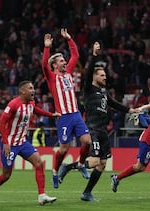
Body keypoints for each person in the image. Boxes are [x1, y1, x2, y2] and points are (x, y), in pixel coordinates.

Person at [58, 64, 138, 202]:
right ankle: (68, 167)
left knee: (102, 164)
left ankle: (87, 193)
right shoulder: (89, 89)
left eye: (105, 75)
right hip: (92, 129)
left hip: (103, 131)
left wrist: (131, 111)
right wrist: (94, 56)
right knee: (95, 161)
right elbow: (88, 72)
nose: (105, 77)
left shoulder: (104, 93)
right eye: (101, 75)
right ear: (94, 77)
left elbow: (114, 104)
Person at [0, 81, 61, 205]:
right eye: (30, 88)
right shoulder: (13, 104)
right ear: (22, 91)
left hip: (23, 142)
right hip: (10, 144)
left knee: (39, 163)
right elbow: (2, 122)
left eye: (33, 88)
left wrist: (51, 115)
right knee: (6, 175)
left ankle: (42, 195)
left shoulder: (31, 103)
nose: (33, 90)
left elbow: (36, 110)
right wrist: (6, 143)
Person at [42, 29, 91, 189]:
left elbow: (75, 55)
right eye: (61, 60)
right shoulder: (51, 77)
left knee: (87, 143)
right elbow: (44, 65)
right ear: (55, 65)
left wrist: (70, 39)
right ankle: (55, 172)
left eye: (64, 60)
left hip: (76, 115)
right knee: (64, 149)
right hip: (63, 117)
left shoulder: (68, 72)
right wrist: (47, 47)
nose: (65, 62)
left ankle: (81, 164)